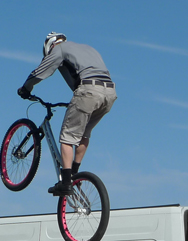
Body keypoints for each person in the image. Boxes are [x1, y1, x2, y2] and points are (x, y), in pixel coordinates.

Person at [17, 32, 117, 195]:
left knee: (67, 137)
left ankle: (66, 181)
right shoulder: (87, 48)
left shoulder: (60, 49)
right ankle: (75, 175)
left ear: (50, 45)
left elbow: (41, 71)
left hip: (88, 91)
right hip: (109, 94)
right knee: (84, 134)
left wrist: (26, 88)